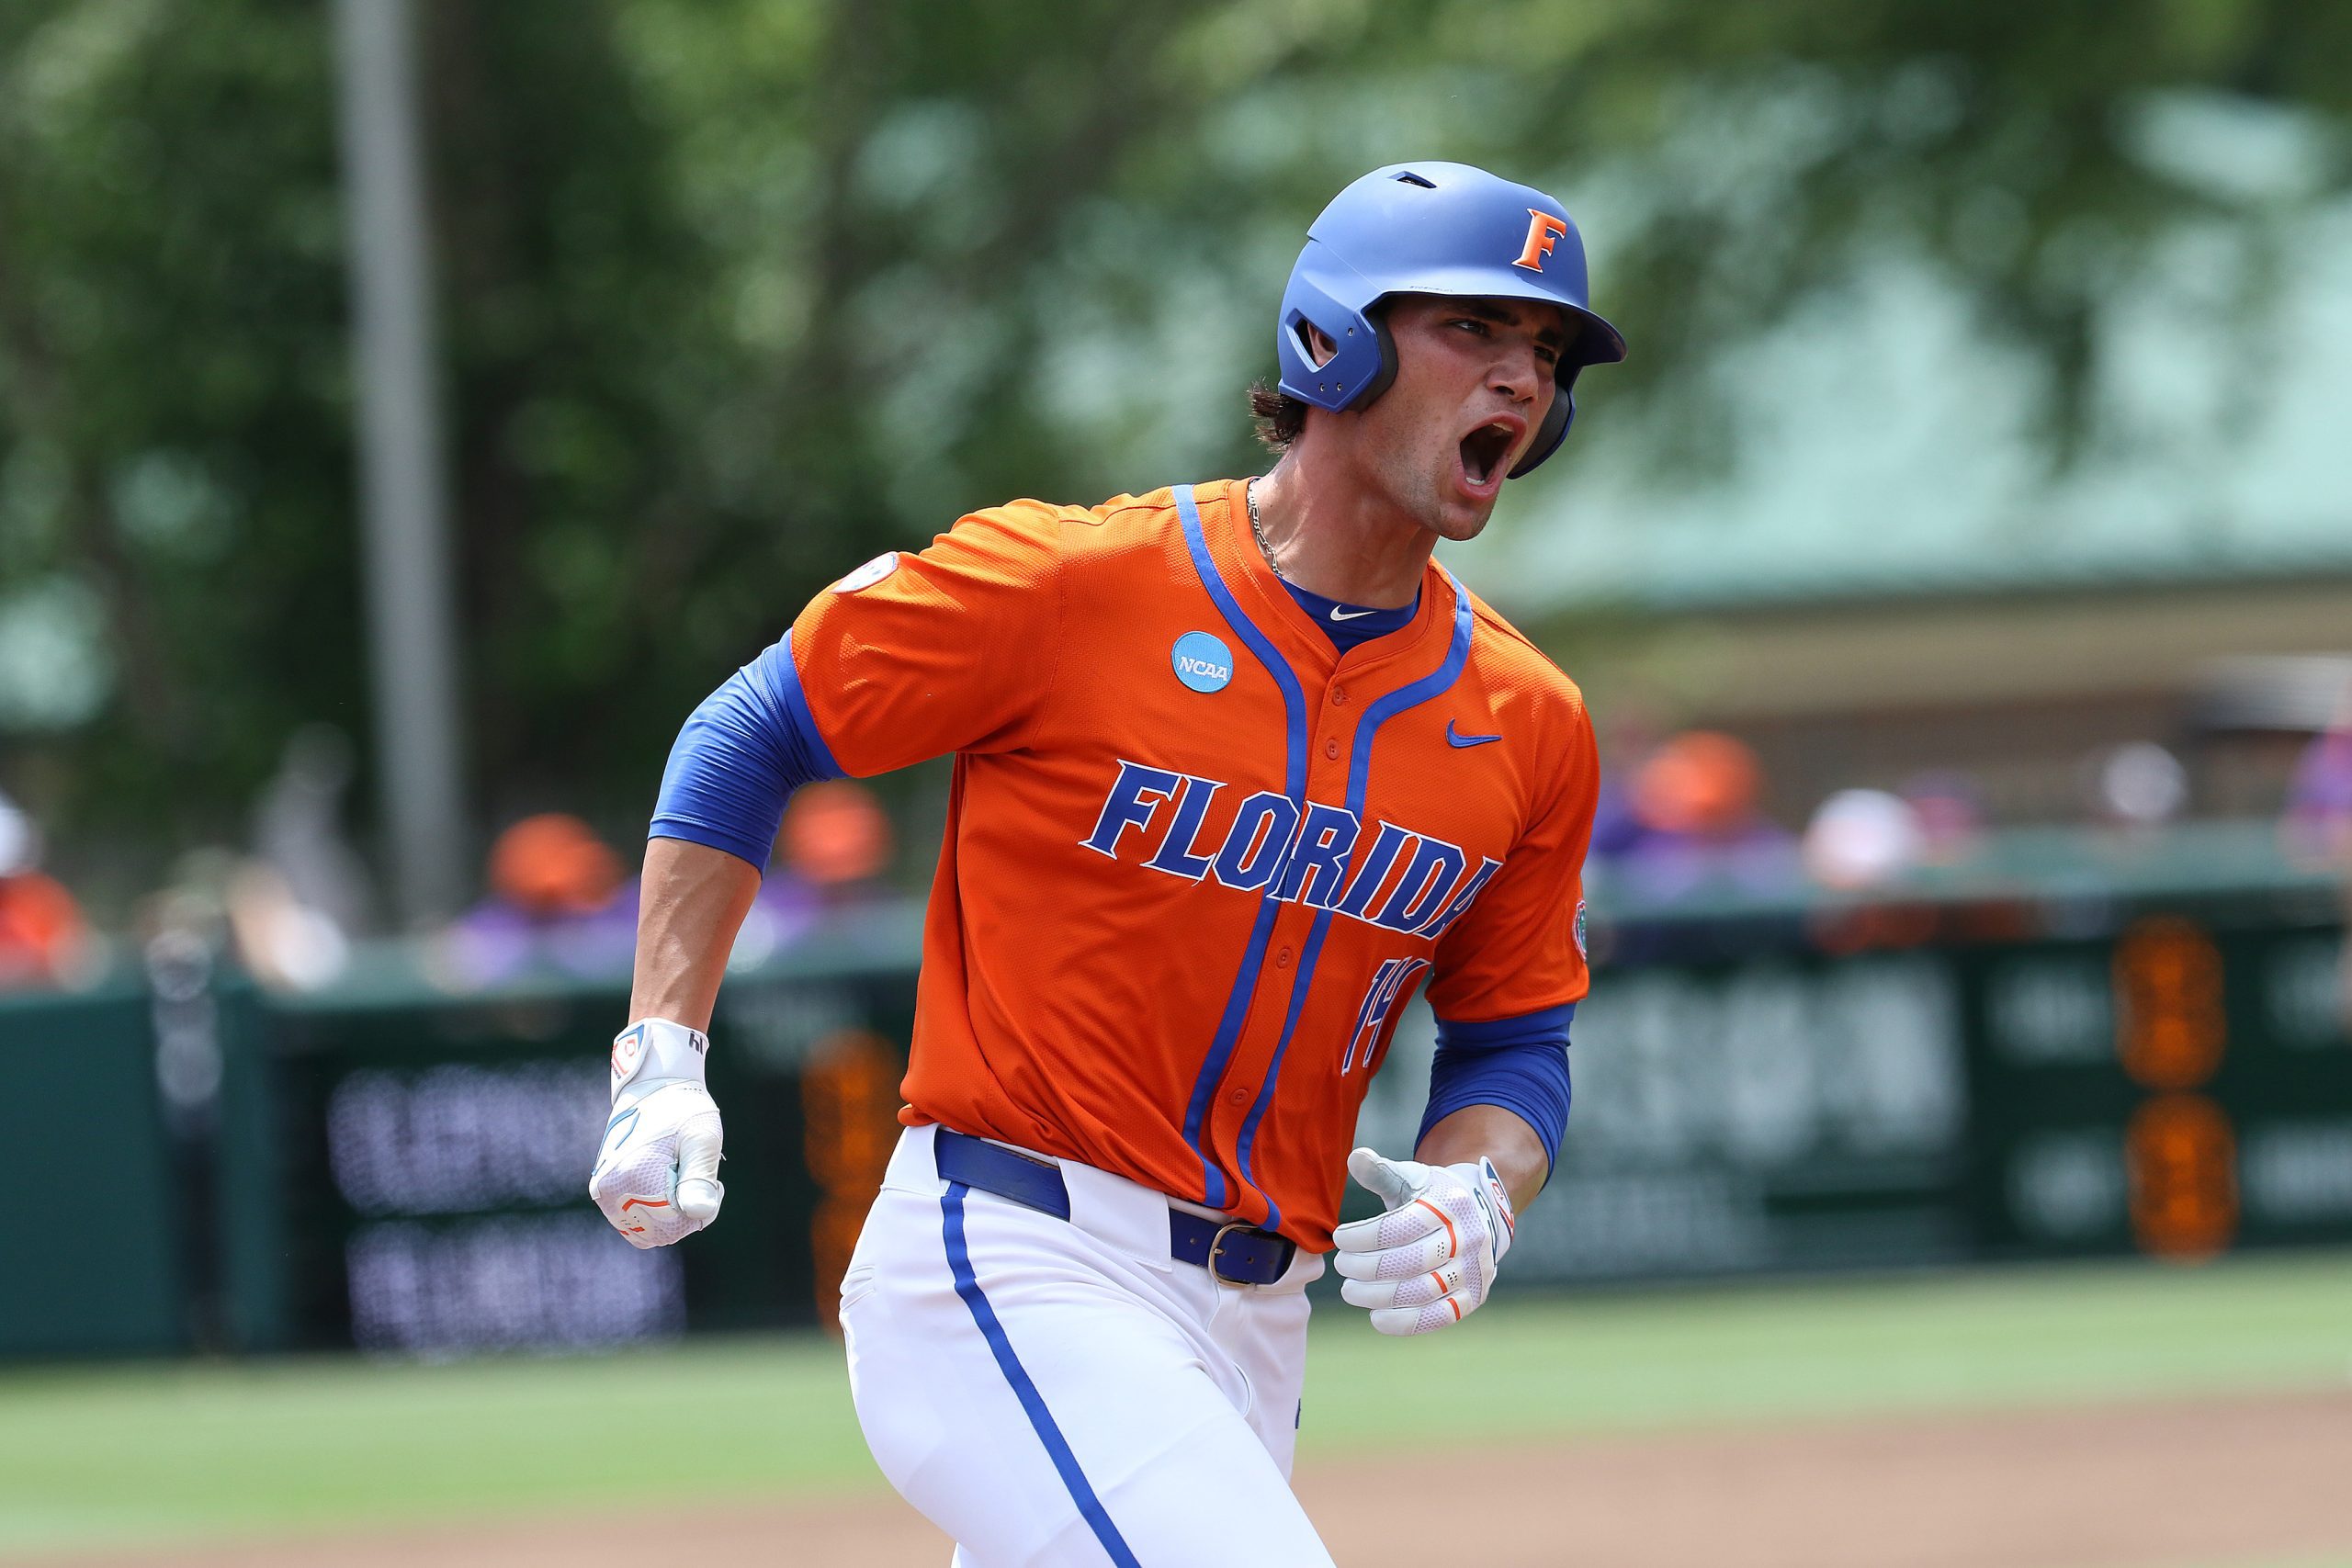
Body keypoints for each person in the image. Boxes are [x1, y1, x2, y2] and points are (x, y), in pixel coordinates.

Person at [590, 161, 1621, 1562]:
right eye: (1475, 329)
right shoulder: (1072, 584)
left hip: (1255, 1329)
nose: (1521, 379)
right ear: (1336, 340)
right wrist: (662, 1053)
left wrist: (1483, 1187)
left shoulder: (1529, 719)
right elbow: (749, 732)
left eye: (1547, 354)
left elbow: (1514, 1044)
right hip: (1012, 1258)